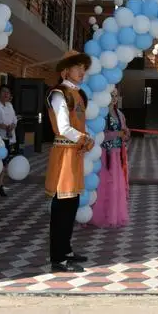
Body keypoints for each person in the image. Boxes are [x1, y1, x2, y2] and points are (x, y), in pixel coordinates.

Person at [45, 50, 96, 273]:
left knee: (72, 204)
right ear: (66, 70)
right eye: (78, 68)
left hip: (75, 153)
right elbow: (64, 128)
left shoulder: (78, 94)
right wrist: (84, 138)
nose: (82, 72)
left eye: (84, 68)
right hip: (64, 154)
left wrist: (84, 139)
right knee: (62, 207)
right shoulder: (59, 94)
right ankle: (58, 258)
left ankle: (66, 250)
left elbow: (78, 125)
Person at [90, 87, 130, 228]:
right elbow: (99, 135)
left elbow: (124, 131)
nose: (114, 98)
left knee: (115, 186)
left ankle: (112, 214)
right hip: (104, 155)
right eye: (111, 95)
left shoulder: (120, 114)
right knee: (103, 184)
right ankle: (99, 215)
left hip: (117, 155)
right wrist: (116, 134)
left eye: (116, 96)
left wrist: (125, 133)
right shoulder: (101, 114)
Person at [0, 84, 17, 197]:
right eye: (4, 91)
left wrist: (12, 126)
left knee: (4, 162)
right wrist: (2, 126)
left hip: (7, 137)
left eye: (8, 92)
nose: (6, 94)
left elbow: (14, 120)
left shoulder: (9, 105)